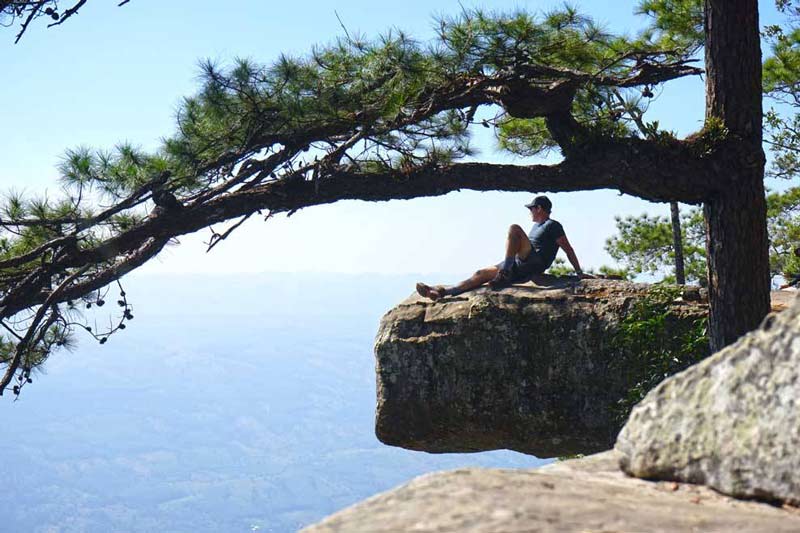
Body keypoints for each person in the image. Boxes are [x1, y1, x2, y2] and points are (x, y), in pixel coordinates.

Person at [416, 195, 593, 301]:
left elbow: (568, 249)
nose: (530, 211)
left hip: (534, 260)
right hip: (520, 263)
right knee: (480, 274)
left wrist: (579, 272)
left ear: (539, 208)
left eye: (532, 208)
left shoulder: (552, 225)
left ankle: (505, 271)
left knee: (514, 229)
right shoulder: (536, 226)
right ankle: (441, 292)